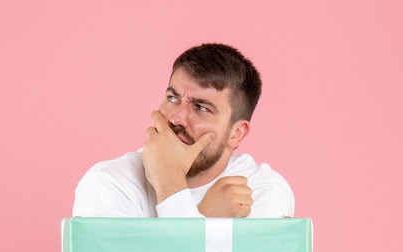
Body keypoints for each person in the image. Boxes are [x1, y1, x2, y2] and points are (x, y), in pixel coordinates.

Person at [72, 43, 294, 218]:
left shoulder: (263, 191)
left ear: (236, 133)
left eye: (201, 108)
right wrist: (205, 218)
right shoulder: (109, 184)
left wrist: (171, 187)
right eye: (172, 98)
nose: (176, 117)